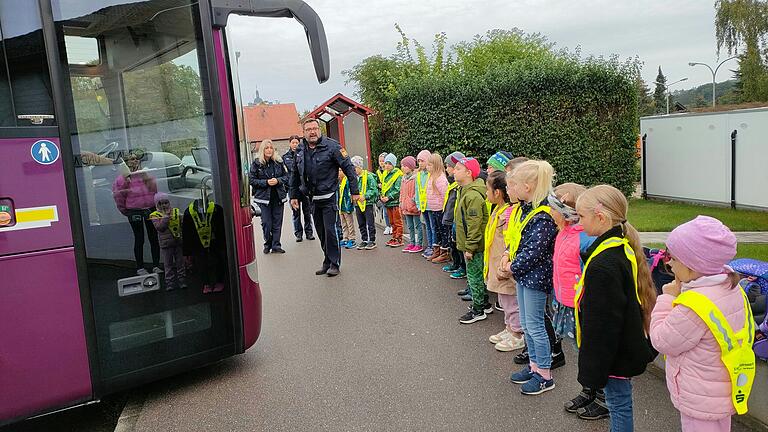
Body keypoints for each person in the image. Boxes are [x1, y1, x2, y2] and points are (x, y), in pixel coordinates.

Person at [650, 216, 753, 432]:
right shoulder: (730, 287)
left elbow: (661, 340)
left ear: (693, 265)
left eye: (673, 259)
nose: (668, 263)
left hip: (699, 395)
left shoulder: (694, 305)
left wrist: (667, 298)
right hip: (722, 388)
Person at [574, 184, 657, 431]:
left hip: (612, 353)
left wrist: (593, 370)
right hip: (621, 346)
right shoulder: (617, 247)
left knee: (618, 404)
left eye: (581, 216)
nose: (579, 223)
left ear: (600, 217)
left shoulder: (603, 264)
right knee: (619, 402)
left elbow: (603, 324)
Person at [548, 183, 607, 420]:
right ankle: (589, 390)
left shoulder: (586, 240)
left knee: (591, 352)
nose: (549, 213)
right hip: (565, 302)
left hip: (581, 306)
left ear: (566, 213)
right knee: (580, 351)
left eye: (553, 209)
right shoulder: (564, 232)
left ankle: (604, 398)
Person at [507, 160, 559, 396]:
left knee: (536, 326)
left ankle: (545, 375)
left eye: (514, 184)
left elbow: (533, 251)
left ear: (527, 187)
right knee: (528, 325)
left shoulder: (542, 215)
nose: (512, 189)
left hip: (535, 278)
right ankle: (534, 366)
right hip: (524, 275)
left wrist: (510, 267)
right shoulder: (528, 209)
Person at [289, 118, 360, 277]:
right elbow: (294, 173)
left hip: (329, 196)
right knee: (321, 232)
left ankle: (335, 263)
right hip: (312, 199)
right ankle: (327, 261)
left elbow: (349, 168)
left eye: (315, 128)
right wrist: (293, 195)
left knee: (330, 231)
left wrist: (355, 191)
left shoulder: (333, 146)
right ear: (304, 132)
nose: (312, 132)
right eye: (308, 129)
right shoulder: (300, 149)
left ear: (319, 129)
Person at [484, 171, 524, 351]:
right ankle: (509, 328)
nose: (486, 193)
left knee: (510, 300)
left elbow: (511, 241)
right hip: (496, 263)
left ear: (497, 192)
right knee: (504, 298)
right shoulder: (499, 209)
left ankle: (517, 334)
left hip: (504, 266)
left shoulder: (508, 213)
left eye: (487, 190)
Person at [454, 157, 492, 324]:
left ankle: (478, 310)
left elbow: (475, 225)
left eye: (458, 168)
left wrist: (469, 247)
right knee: (475, 275)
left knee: (474, 276)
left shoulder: (473, 195)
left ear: (469, 173)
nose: (454, 171)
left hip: (474, 246)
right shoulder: (465, 190)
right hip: (470, 244)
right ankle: (484, 303)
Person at [112, 149, 161, 275]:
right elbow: (119, 196)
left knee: (153, 237)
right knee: (139, 238)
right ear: (127, 163)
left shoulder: (144, 173)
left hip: (150, 208)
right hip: (134, 211)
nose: (135, 161)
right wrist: (126, 211)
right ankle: (140, 267)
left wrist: (147, 177)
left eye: (136, 158)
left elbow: (154, 189)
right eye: (132, 159)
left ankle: (156, 265)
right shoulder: (121, 179)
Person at [250, 139, 288, 254]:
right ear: (262, 149)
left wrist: (278, 180)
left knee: (277, 222)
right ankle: (268, 242)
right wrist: (266, 182)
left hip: (278, 196)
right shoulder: (257, 163)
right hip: (263, 198)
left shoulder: (278, 162)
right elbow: (252, 180)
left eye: (271, 148)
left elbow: (286, 177)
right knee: (267, 223)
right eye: (267, 148)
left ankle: (276, 245)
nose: (269, 150)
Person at [150, 193, 186, 290]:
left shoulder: (176, 211)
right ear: (157, 205)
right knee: (168, 265)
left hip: (178, 241)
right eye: (161, 204)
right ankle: (169, 283)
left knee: (180, 263)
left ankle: (182, 281)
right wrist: (166, 217)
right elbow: (160, 227)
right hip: (166, 244)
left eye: (166, 203)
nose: (164, 205)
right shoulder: (154, 215)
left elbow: (183, 224)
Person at [283, 135, 314, 242]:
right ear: (290, 143)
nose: (295, 144)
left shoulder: (304, 154)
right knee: (296, 213)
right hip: (293, 189)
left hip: (304, 187)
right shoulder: (286, 156)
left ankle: (309, 232)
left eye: (297, 142)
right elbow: (293, 169)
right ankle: (298, 234)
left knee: (307, 211)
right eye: (293, 142)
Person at [443, 152, 467, 280]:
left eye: (449, 166)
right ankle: (456, 264)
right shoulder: (452, 183)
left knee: (459, 244)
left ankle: (462, 267)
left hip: (457, 219)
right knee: (454, 243)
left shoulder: (461, 185)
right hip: (452, 218)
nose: (447, 169)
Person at [425, 153, 450, 263]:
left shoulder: (440, 179)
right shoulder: (431, 177)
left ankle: (444, 252)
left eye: (430, 165)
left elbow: (445, 195)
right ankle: (437, 250)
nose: (427, 167)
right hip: (433, 209)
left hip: (440, 209)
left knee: (443, 231)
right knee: (436, 230)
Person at [351, 156, 378, 250]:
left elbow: (374, 190)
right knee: (361, 223)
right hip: (358, 204)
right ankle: (364, 239)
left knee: (370, 222)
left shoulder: (369, 176)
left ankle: (372, 240)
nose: (353, 170)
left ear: (360, 167)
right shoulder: (353, 178)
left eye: (354, 168)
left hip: (368, 203)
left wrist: (365, 196)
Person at [399, 156, 423, 253]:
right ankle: (412, 243)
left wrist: (413, 201)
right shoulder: (403, 178)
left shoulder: (416, 178)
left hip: (413, 206)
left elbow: (417, 192)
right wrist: (401, 202)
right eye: (402, 166)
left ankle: (419, 244)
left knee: (417, 226)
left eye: (405, 166)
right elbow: (401, 192)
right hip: (406, 206)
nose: (403, 167)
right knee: (410, 226)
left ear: (410, 166)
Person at [381, 153, 404, 248]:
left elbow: (398, 189)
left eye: (389, 163)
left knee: (397, 221)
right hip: (388, 202)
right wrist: (382, 196)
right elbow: (384, 187)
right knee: (391, 221)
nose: (386, 165)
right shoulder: (385, 174)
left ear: (393, 164)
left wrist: (389, 197)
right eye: (386, 163)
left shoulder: (398, 174)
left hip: (395, 202)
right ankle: (394, 237)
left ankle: (399, 238)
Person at [415, 150, 433, 259]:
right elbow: (417, 190)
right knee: (427, 226)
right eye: (419, 161)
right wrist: (418, 204)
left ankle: (432, 246)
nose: (420, 163)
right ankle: (429, 246)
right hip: (423, 206)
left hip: (431, 205)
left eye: (422, 161)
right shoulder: (419, 175)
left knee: (432, 227)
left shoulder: (431, 174)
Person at [337, 168, 357, 249]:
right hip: (340, 206)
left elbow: (349, 194)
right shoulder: (338, 182)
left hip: (347, 206)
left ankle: (352, 239)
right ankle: (345, 238)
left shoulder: (347, 181)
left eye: (341, 171)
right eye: (338, 171)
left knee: (349, 224)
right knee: (343, 224)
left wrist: (349, 205)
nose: (339, 173)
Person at [376, 152, 392, 235]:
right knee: (385, 212)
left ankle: (392, 226)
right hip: (382, 194)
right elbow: (377, 181)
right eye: (380, 161)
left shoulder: (389, 171)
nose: (381, 163)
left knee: (390, 211)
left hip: (389, 193)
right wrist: (378, 185)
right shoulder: (378, 172)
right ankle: (388, 226)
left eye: (383, 161)